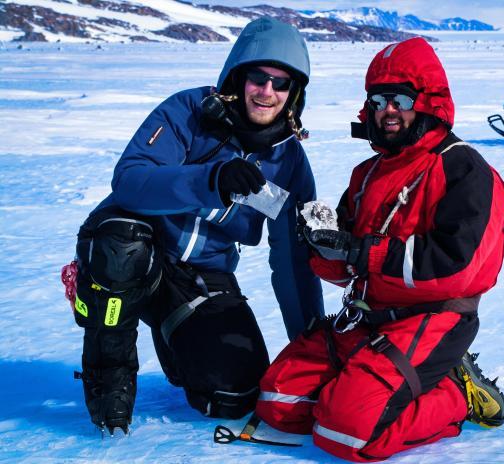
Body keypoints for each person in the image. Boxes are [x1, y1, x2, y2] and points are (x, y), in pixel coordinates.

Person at [60, 17, 323, 435]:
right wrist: (210, 180)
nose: (267, 91)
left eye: (281, 83)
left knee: (236, 393)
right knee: (122, 245)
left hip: (200, 275)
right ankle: (108, 376)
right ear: (238, 77)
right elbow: (130, 179)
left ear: (294, 93)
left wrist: (312, 346)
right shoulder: (189, 112)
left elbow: (292, 261)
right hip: (137, 251)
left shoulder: (288, 163)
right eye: (258, 78)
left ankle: (176, 333)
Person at [255, 37, 504, 461]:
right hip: (368, 317)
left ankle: (456, 393)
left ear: (427, 101)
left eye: (400, 99)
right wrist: (323, 246)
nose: (387, 109)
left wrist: (362, 251)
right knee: (278, 402)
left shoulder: (463, 168)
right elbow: (347, 267)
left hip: (431, 319)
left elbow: (457, 267)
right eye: (377, 100)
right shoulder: (368, 173)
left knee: (346, 434)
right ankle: (370, 388)